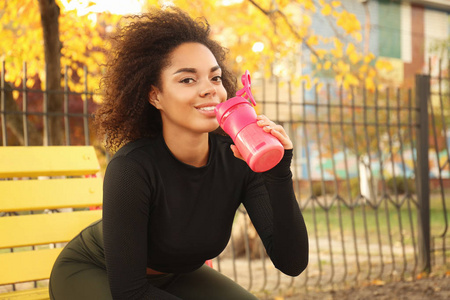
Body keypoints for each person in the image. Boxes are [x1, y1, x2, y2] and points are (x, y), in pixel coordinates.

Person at [49, 7, 308, 300]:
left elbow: (292, 263)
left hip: (176, 276)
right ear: (155, 95)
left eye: (215, 78)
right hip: (96, 271)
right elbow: (130, 292)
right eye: (187, 80)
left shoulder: (239, 157)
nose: (209, 90)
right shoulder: (132, 168)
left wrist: (279, 174)